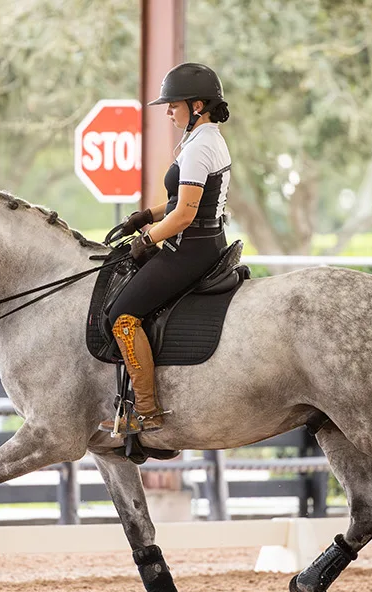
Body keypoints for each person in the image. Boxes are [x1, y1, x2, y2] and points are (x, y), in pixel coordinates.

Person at [100, 62, 233, 434]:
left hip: (189, 247)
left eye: (174, 104)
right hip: (204, 240)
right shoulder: (205, 140)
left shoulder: (199, 147)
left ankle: (146, 411)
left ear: (198, 106)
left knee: (122, 316)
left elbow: (184, 216)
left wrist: (146, 239)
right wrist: (145, 216)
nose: (169, 111)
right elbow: (182, 199)